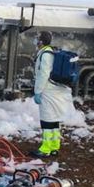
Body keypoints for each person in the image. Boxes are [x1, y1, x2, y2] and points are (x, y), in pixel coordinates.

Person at [31, 31, 74, 159]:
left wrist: (37, 91)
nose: (35, 41)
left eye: (37, 39)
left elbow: (43, 74)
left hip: (48, 91)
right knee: (54, 120)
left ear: (41, 41)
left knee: (47, 121)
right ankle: (55, 146)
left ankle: (45, 148)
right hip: (56, 91)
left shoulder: (45, 55)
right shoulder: (52, 52)